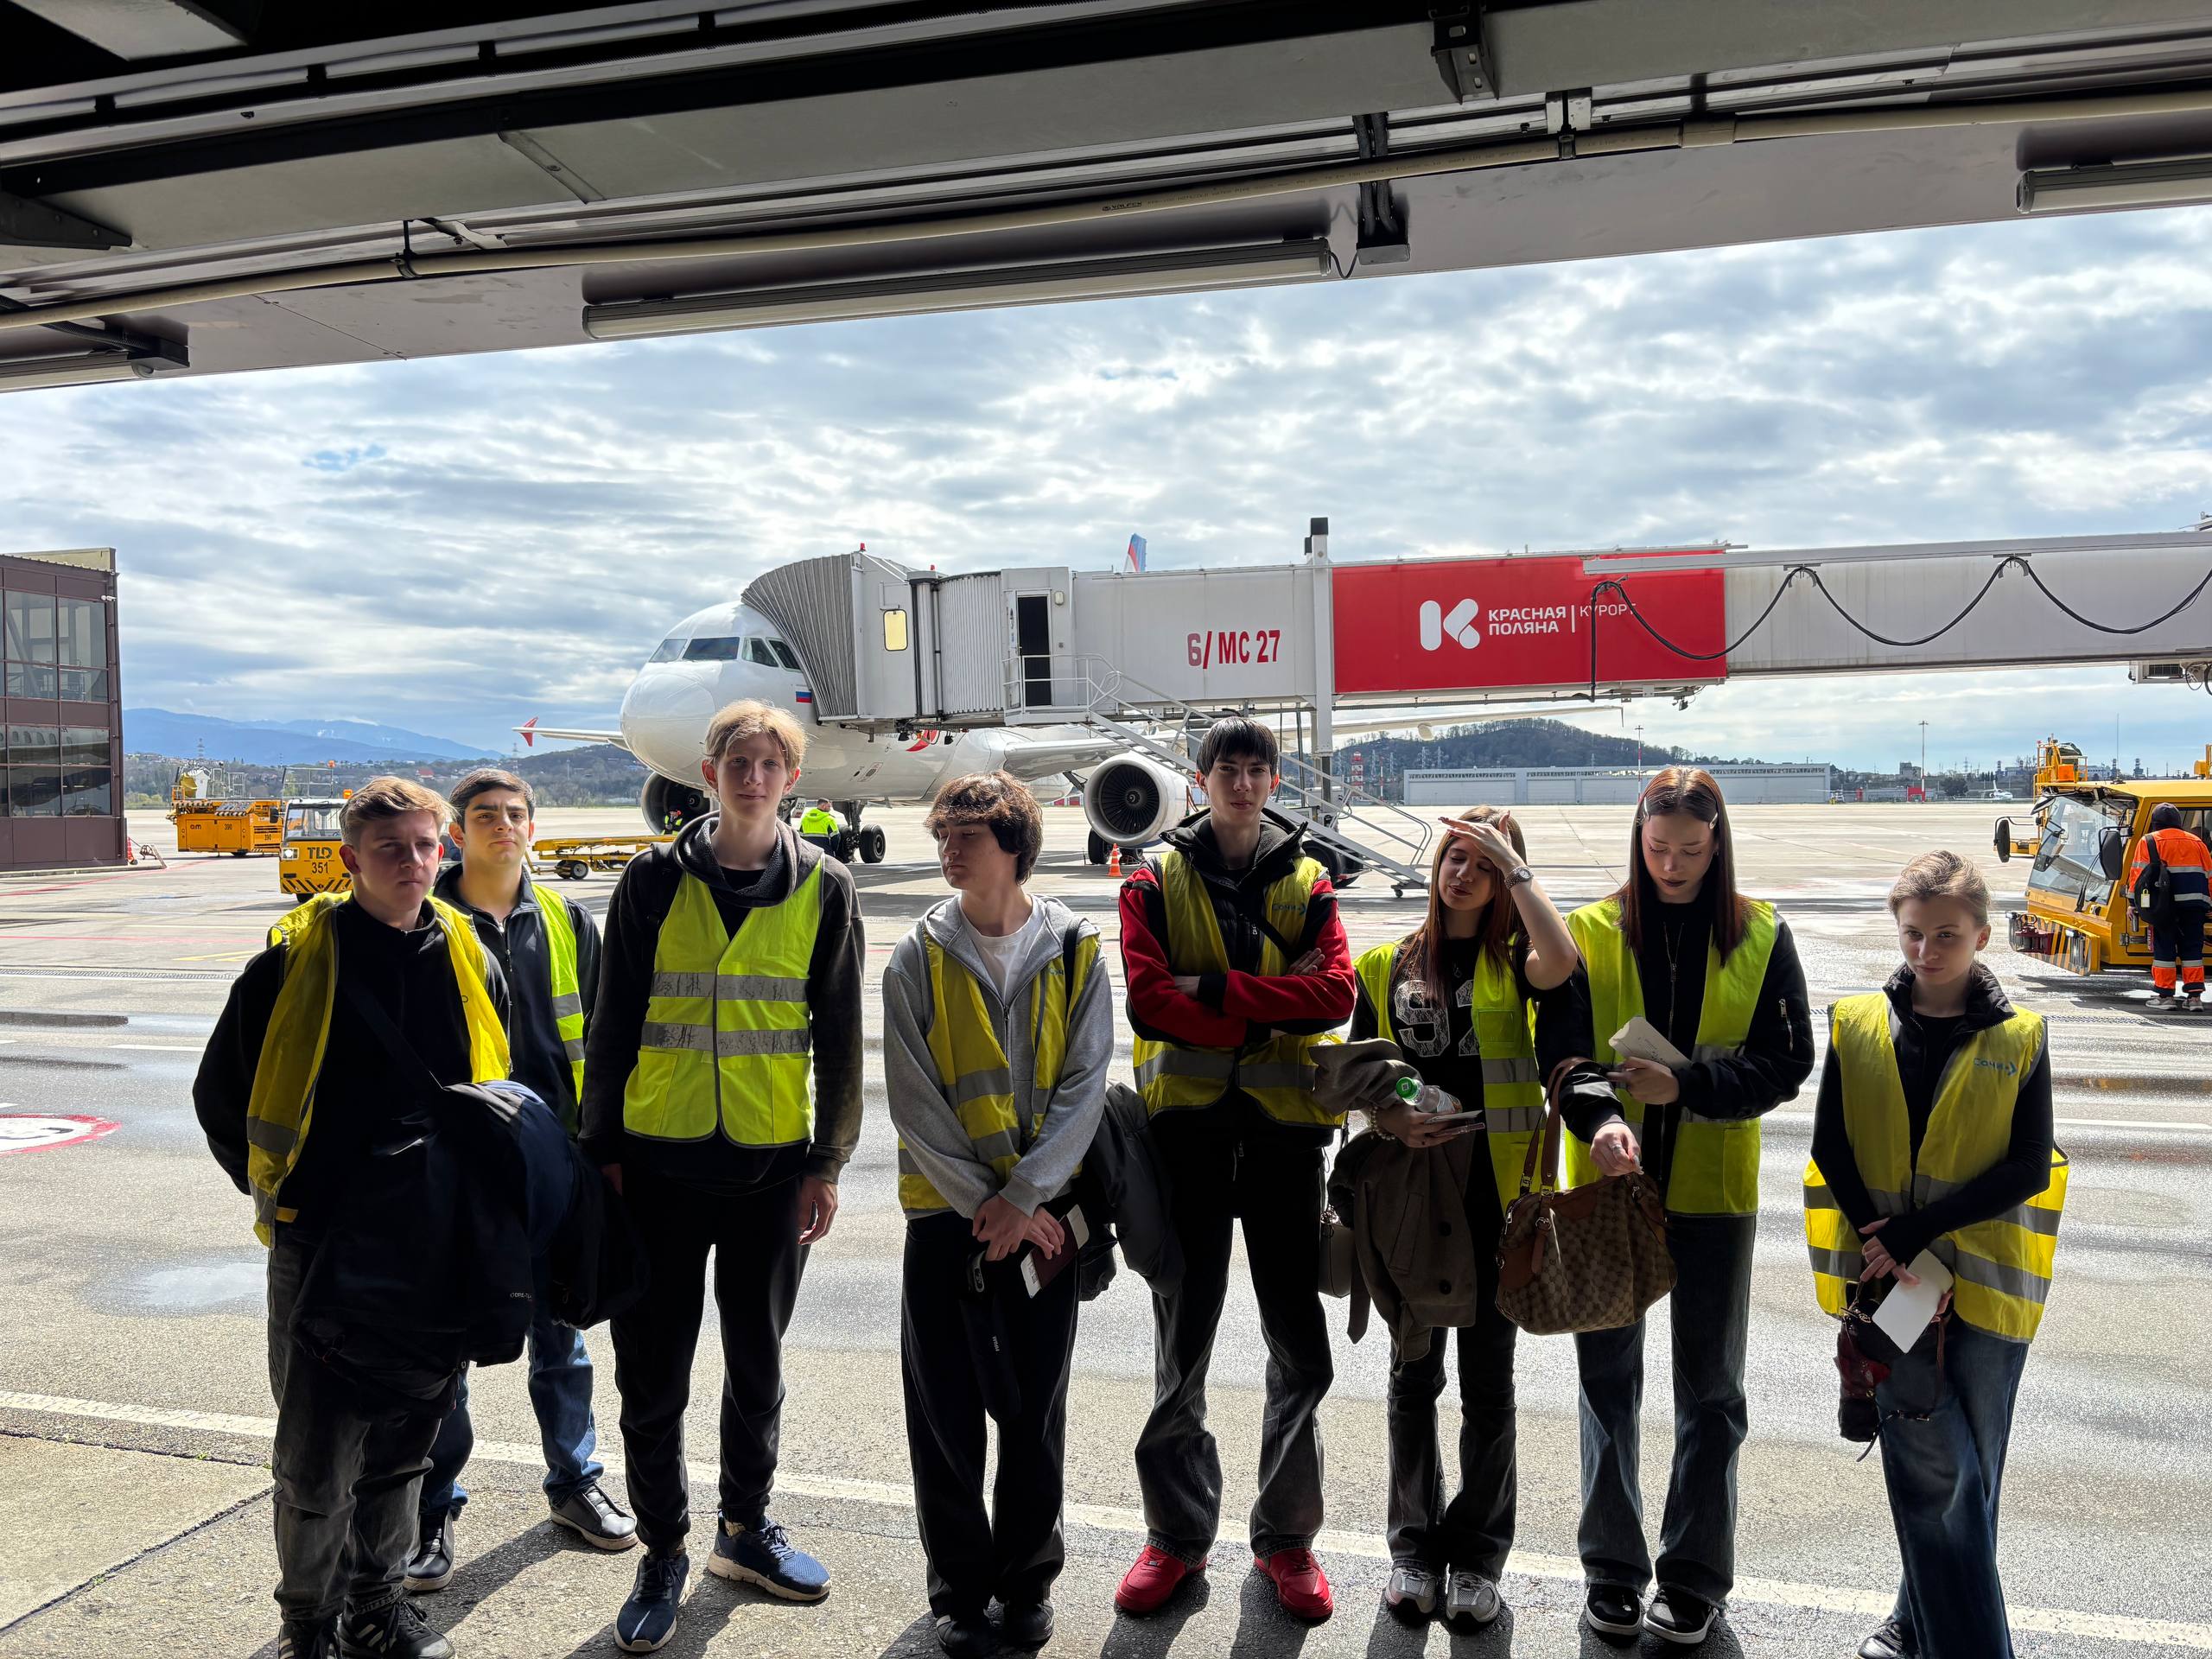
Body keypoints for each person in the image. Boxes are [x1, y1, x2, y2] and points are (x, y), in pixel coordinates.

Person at [194, 777, 512, 1659]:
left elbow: (499, 1093)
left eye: (425, 846)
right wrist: (287, 1196)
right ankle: (307, 1623)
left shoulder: (470, 960)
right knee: (315, 1459)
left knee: (405, 1444)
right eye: (389, 848)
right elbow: (221, 1097)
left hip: (431, 1245)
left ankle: (376, 1609)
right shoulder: (289, 967)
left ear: (443, 850)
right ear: (349, 860)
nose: (412, 862)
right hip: (323, 1244)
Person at [580, 699, 866, 1654]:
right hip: (656, 1164)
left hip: (769, 1167)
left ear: (792, 777)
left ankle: (744, 1527)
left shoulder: (825, 886)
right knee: (652, 1375)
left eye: (769, 763)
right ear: (707, 774)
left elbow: (839, 1036)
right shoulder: (652, 880)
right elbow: (613, 1022)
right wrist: (599, 1153)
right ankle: (662, 1548)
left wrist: (827, 1161)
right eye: (737, 762)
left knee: (757, 1364)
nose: (752, 777)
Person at [1537, 766, 1813, 1647]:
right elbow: (1563, 1056)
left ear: (1717, 842)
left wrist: (1686, 1086)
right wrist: (1604, 1120)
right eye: (1658, 848)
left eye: (1691, 850)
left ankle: (1693, 1578)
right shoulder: (1588, 931)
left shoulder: (1761, 933)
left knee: (1713, 1394)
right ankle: (1612, 1570)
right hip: (1610, 1190)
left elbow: (1787, 1062)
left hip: (1711, 1196)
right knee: (1606, 1384)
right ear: (1638, 838)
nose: (1672, 866)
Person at [1114, 715, 1357, 1622]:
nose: (1243, 784)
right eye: (1229, 769)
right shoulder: (1152, 878)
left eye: (1258, 770)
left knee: (1300, 1349)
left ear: (1274, 781)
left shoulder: (1310, 879)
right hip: (1187, 1141)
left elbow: (1334, 994)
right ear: (1201, 778)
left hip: (1286, 1142)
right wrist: (1275, 999)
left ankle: (1285, 1540)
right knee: (1183, 1346)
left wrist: (1212, 991)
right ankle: (1175, 1536)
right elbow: (1149, 1003)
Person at [1805, 852, 2066, 1659]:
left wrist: (1916, 1232)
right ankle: (1949, 1638)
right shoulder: (1855, 1024)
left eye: (1947, 935)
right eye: (1913, 933)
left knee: (1968, 1472)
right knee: (1932, 1468)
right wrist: (1883, 1241)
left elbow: (2030, 1165)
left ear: (1982, 935)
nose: (1927, 951)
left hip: (1984, 1286)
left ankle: (1917, 1622)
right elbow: (1829, 1145)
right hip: (1894, 1286)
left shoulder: (2021, 1037)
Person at [882, 772, 1113, 1657]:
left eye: (967, 836)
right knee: (943, 1414)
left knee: (1034, 1414)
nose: (949, 849)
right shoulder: (916, 955)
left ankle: (1026, 1586)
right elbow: (914, 1100)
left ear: (1013, 846)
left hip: (1041, 1219)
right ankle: (959, 1593)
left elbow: (1087, 1082)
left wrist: (1027, 1196)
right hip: (949, 1220)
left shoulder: (1074, 947)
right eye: (944, 834)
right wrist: (991, 1202)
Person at [404, 769, 633, 1596]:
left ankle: (575, 1481)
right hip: (459, 1172)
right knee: (445, 1349)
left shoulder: (568, 919)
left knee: (562, 1335)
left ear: (532, 826)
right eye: (485, 815)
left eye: (515, 814)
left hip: (554, 1166)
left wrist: (602, 1150)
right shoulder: (425, 919)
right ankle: (433, 1505)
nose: (503, 826)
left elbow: (605, 1037)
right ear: (457, 832)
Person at [1350, 807, 1578, 1630]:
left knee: (1488, 1384)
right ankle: (1413, 1548)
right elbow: (1359, 1074)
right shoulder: (1384, 964)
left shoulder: (1518, 962)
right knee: (1413, 1375)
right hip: (1411, 1193)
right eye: (1455, 856)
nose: (1463, 873)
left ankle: (1478, 1557)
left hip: (1497, 1196)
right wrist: (1389, 1118)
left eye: (1483, 864)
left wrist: (1517, 868)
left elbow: (1564, 961)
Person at [2127, 801, 2210, 1010]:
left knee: (2164, 949)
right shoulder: (2197, 842)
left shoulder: (2149, 841)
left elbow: (2138, 876)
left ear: (2156, 823)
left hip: (2164, 907)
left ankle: (2165, 997)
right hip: (2194, 906)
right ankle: (2194, 998)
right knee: (2193, 950)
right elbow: (2209, 875)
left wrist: (2133, 903)